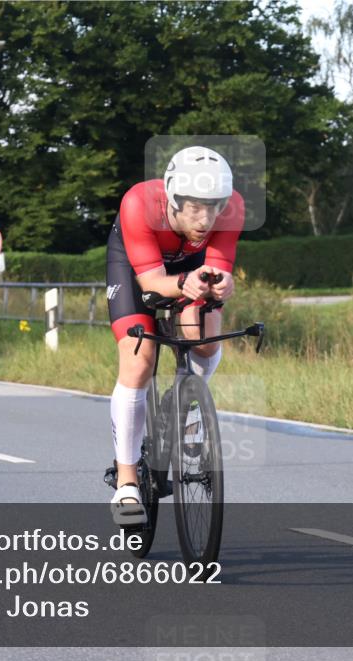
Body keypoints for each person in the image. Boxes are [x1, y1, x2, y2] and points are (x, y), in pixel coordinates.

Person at [105, 146, 244, 525]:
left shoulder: (232, 209)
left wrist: (221, 282)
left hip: (189, 268)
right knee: (140, 361)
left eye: (214, 206)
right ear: (173, 198)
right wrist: (182, 282)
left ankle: (185, 406)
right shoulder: (138, 204)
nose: (206, 218)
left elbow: (216, 269)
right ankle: (128, 483)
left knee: (204, 337)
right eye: (195, 207)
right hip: (138, 266)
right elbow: (151, 283)